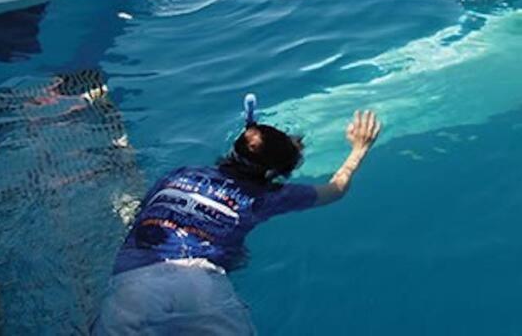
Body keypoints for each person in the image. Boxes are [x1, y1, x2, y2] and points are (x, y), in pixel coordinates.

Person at [92, 101, 382, 335]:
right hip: (201, 284)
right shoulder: (266, 197)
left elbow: (142, 215)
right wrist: (359, 149)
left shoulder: (179, 174)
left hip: (134, 284)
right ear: (271, 174)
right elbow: (337, 190)